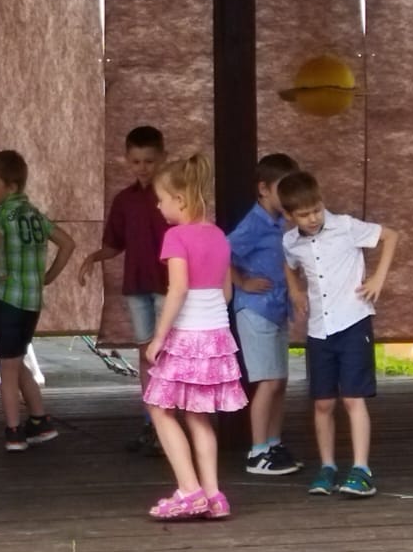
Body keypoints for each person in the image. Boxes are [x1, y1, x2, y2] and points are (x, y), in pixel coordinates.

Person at [278, 170, 400, 499]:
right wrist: (294, 290)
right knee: (322, 403)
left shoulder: (345, 226)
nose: (312, 218)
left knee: (352, 398)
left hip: (352, 321)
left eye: (316, 209)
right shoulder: (290, 241)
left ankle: (361, 469)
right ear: (289, 216)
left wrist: (378, 278)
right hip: (320, 329)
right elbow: (288, 263)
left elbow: (390, 236)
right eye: (303, 214)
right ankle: (327, 466)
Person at [142, 155, 248, 520]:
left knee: (159, 408)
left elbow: (178, 289)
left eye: (162, 200)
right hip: (217, 336)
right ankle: (214, 494)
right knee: (199, 416)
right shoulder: (218, 235)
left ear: (180, 199)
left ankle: (189, 490)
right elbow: (227, 292)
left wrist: (159, 337)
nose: (159, 206)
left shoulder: (175, 237)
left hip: (187, 336)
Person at [77, 125, 169, 455]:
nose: (142, 168)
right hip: (137, 287)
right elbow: (115, 244)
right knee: (146, 355)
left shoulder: (173, 197)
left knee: (168, 354)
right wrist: (93, 257)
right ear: (127, 161)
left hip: (168, 288)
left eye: (149, 161)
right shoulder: (124, 200)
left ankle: (171, 422)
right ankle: (151, 421)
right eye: (136, 161)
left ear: (163, 158)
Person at [0, 150, 75, 453]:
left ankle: (13, 431)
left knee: (7, 369)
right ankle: (40, 420)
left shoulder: (0, 214)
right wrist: (48, 277)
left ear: (11, 187)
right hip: (32, 301)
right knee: (15, 358)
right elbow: (68, 243)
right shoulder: (35, 215)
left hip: (7, 298)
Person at [226, 152, 303, 476]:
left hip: (277, 308)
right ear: (263, 189)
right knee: (267, 381)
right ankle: (257, 451)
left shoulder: (282, 223)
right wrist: (242, 281)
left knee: (280, 380)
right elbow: (223, 251)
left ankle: (273, 443)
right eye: (283, 187)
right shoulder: (254, 223)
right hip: (255, 310)